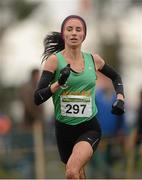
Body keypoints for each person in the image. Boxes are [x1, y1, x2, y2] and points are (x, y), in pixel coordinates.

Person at [34, 15, 125, 179]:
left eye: (78, 29)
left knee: (71, 171)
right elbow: (38, 98)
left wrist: (120, 97)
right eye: (69, 29)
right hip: (63, 130)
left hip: (89, 127)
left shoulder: (94, 60)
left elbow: (116, 77)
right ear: (64, 35)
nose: (74, 33)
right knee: (77, 173)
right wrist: (58, 83)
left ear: (84, 34)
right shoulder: (54, 61)